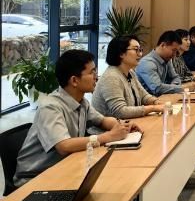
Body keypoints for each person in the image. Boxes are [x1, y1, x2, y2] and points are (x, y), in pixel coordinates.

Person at [13, 50, 139, 187]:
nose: (96, 77)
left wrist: (122, 126)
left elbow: (102, 120)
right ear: (74, 80)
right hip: (34, 179)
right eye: (92, 73)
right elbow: (64, 146)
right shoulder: (50, 107)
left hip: (62, 168)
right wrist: (108, 137)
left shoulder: (82, 102)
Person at [91, 35, 165, 118]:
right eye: (136, 50)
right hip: (109, 126)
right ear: (121, 53)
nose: (140, 54)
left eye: (140, 50)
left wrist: (156, 102)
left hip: (127, 123)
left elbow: (143, 96)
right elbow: (120, 111)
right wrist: (153, 108)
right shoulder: (111, 77)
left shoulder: (130, 72)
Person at [136, 30, 184, 96]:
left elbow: (175, 77)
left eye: (176, 51)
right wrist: (183, 88)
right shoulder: (147, 63)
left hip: (161, 98)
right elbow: (157, 88)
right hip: (148, 100)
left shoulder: (167, 58)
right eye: (173, 50)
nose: (174, 55)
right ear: (163, 45)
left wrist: (174, 87)